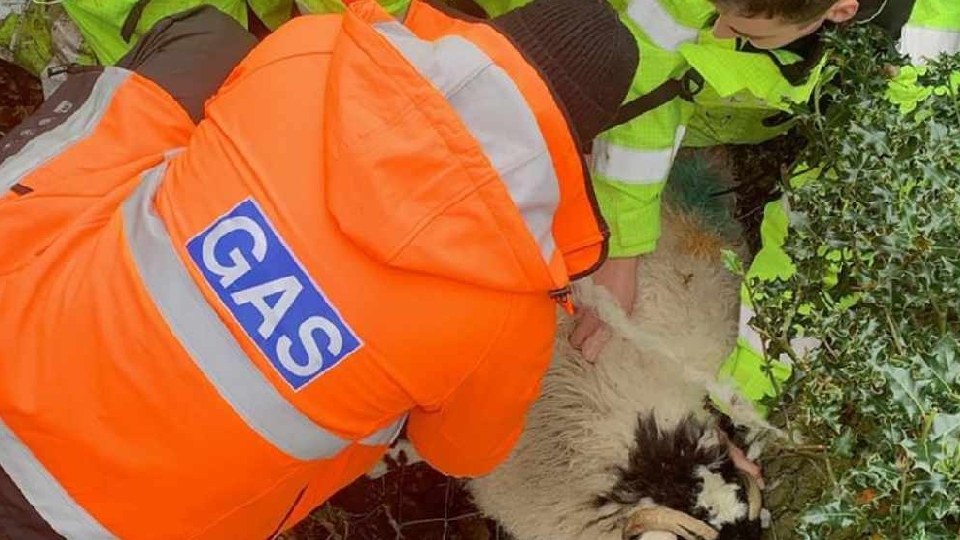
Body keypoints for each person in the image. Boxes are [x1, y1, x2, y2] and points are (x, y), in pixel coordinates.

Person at [0, 0, 638, 538]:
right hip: (125, 524)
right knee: (406, 399)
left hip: (16, 348)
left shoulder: (314, 51)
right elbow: (461, 453)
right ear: (573, 149)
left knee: (209, 49)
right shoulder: (515, 315)